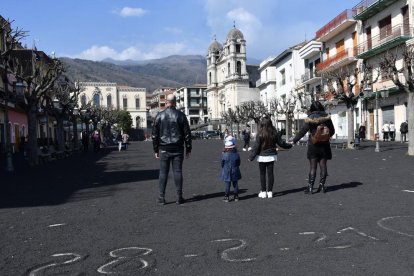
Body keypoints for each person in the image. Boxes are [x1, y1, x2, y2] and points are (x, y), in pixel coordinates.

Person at [152, 94, 192, 205]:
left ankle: (161, 197)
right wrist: (188, 148)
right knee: (178, 172)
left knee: (163, 173)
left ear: (166, 102)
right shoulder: (181, 115)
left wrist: (156, 150)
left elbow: (154, 135)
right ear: (175, 102)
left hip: (164, 148)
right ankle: (179, 197)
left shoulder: (160, 115)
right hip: (178, 148)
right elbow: (187, 134)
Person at [291, 101, 335, 194]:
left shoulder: (310, 118)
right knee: (323, 165)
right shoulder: (327, 117)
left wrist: (294, 140)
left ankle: (310, 187)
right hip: (324, 145)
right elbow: (332, 131)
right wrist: (325, 136)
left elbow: (302, 131)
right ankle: (322, 186)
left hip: (313, 145)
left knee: (313, 167)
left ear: (312, 108)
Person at [248, 116, 292, 199]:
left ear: (262, 124)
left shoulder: (260, 133)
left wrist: (251, 157)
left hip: (262, 156)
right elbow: (281, 143)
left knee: (262, 174)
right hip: (271, 155)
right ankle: (270, 192)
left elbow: (256, 147)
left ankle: (263, 192)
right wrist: (289, 145)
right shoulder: (274, 132)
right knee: (270, 174)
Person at [220, 135, 241, 202]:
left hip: (226, 170)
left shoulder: (224, 155)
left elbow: (222, 164)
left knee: (227, 184)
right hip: (235, 169)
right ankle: (236, 196)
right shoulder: (237, 154)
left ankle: (226, 197)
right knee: (235, 184)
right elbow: (239, 163)